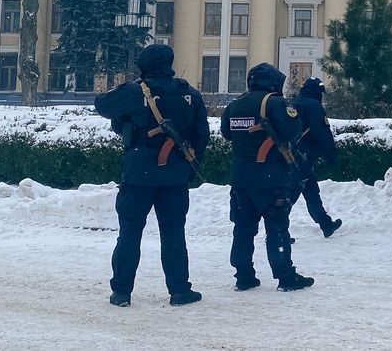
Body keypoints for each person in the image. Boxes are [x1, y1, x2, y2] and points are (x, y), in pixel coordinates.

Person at [93, 44, 208, 308]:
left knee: (130, 233)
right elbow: (202, 136)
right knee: (174, 234)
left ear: (143, 66)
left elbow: (102, 105)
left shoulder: (136, 92)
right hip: (175, 176)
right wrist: (189, 167)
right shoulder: (189, 93)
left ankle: (122, 292)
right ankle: (179, 290)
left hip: (138, 174)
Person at [220, 63, 315, 292]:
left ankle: (243, 275)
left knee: (243, 228)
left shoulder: (234, 105)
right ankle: (285, 275)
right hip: (271, 177)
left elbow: (226, 134)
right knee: (277, 227)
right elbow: (293, 131)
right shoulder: (274, 103)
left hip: (241, 178)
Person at [293, 77, 343, 237]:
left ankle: (326, 224)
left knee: (310, 190)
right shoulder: (314, 106)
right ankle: (277, 230)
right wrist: (331, 156)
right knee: (292, 193)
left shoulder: (295, 103)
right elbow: (322, 133)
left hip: (292, 154)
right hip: (304, 156)